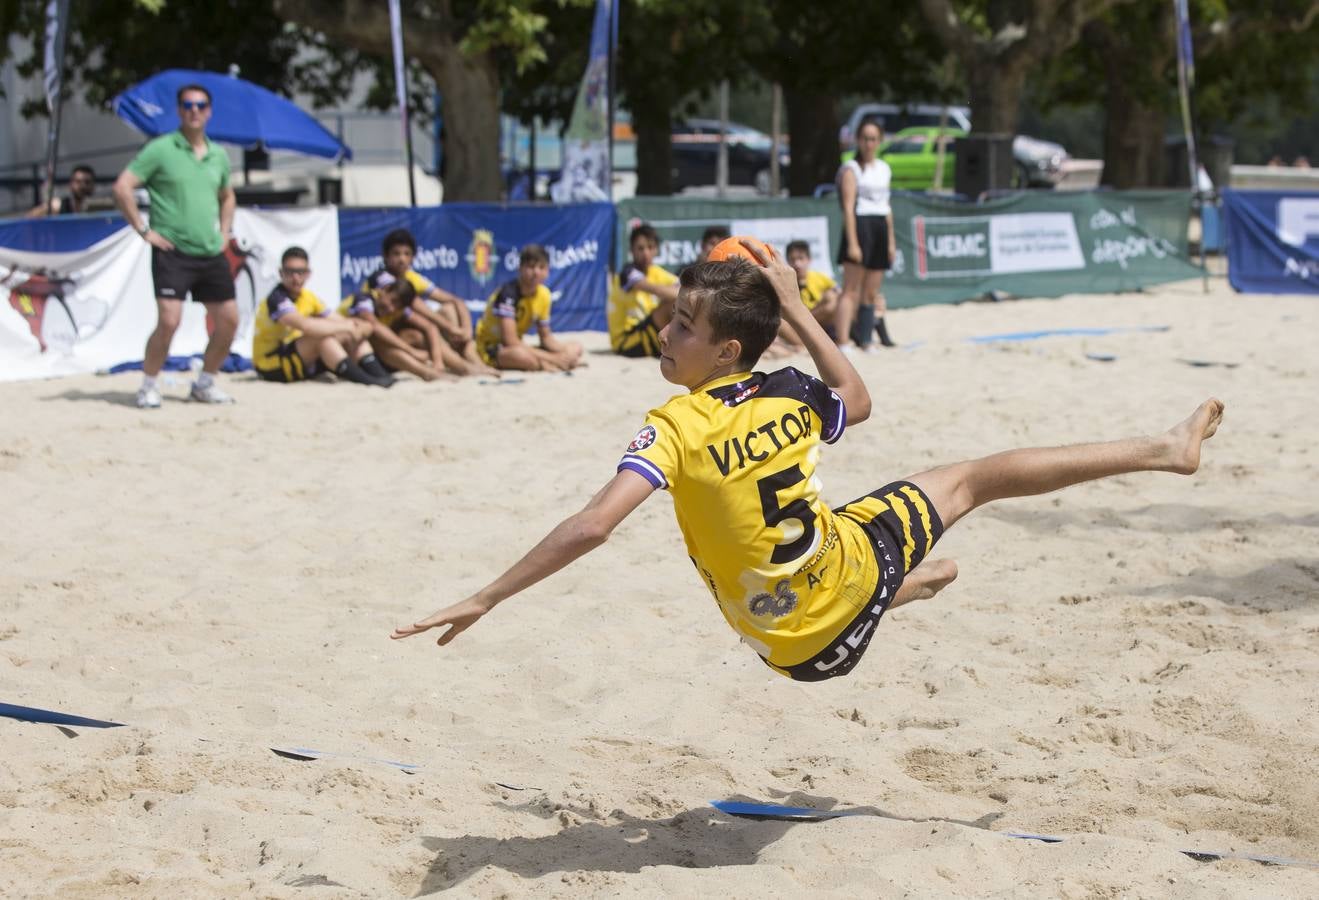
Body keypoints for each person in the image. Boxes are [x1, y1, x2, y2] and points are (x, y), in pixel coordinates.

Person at [393, 243, 1225, 685]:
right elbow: (856, 398)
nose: (664, 333)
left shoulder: (671, 425)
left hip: (790, 652)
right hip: (834, 596)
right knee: (969, 480)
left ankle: (903, 583)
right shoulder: (791, 392)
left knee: (935, 493)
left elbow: (591, 526)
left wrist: (486, 594)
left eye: (681, 325)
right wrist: (795, 305)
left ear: (723, 350)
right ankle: (1158, 450)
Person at [113, 83, 238, 408]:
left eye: (200, 105)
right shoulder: (161, 148)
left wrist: (225, 232)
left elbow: (227, 195)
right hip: (172, 251)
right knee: (169, 321)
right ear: (179, 110)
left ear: (209, 111)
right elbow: (122, 187)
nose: (194, 110)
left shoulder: (219, 154)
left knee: (229, 321)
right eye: (187, 105)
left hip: (210, 250)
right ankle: (148, 385)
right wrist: (143, 230)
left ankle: (206, 383)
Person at [252, 247, 393, 387]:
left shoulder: (308, 296)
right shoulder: (276, 298)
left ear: (308, 274)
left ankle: (379, 375)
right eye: (290, 272)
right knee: (322, 338)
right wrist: (349, 327)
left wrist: (357, 326)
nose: (296, 277)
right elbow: (306, 326)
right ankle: (367, 381)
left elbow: (338, 319)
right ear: (281, 273)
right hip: (269, 365)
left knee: (346, 335)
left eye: (300, 272)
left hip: (298, 358)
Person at [377, 229, 494, 376]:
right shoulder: (382, 279)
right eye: (396, 254)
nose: (402, 259)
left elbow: (455, 300)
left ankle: (472, 362)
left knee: (449, 310)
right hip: (384, 340)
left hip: (404, 333)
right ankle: (463, 366)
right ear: (386, 257)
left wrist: (466, 331)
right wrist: (450, 328)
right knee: (422, 333)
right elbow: (413, 304)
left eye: (406, 254)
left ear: (413, 258)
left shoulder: (412, 277)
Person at [834, 117, 897, 353]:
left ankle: (866, 338)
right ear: (858, 141)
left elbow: (886, 206)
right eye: (865, 139)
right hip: (860, 225)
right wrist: (852, 242)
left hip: (880, 225)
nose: (869, 143)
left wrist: (890, 241)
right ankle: (842, 341)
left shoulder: (883, 168)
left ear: (879, 141)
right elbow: (848, 208)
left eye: (873, 139)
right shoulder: (851, 169)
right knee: (850, 288)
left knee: (871, 291)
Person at [475, 244, 583, 371]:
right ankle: (546, 364)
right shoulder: (507, 294)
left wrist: (564, 354)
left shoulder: (544, 294)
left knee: (576, 347)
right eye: (531, 267)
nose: (536, 272)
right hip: (492, 347)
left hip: (518, 346)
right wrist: (553, 358)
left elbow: (546, 338)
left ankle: (551, 363)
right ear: (520, 268)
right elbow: (510, 341)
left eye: (541, 267)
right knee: (523, 358)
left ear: (548, 271)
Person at [339, 272, 452, 382]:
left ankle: (461, 368)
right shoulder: (364, 299)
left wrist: (438, 361)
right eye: (392, 301)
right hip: (340, 353)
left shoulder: (397, 308)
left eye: (397, 305)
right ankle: (427, 373)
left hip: (366, 356)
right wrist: (412, 352)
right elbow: (375, 326)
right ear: (383, 290)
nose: (391, 309)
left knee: (414, 336)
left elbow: (429, 327)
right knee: (379, 338)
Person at [609, 224, 679, 357]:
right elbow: (670, 292)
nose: (646, 253)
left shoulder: (657, 272)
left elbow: (682, 288)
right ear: (631, 250)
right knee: (673, 304)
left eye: (650, 247)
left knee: (681, 303)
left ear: (656, 250)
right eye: (640, 248)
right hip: (626, 340)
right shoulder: (627, 273)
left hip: (646, 331)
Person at [782, 239, 839, 342]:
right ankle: (799, 343)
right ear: (787, 262)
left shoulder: (818, 277)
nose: (797, 264)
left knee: (832, 298)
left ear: (809, 259)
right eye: (792, 259)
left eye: (800, 258)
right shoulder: (784, 282)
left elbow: (838, 295)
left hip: (820, 322)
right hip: (797, 327)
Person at [27, 165, 96, 218]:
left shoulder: (97, 209)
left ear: (93, 185)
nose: (83, 186)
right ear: (71, 184)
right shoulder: (59, 205)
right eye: (78, 182)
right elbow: (30, 217)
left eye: (87, 182)